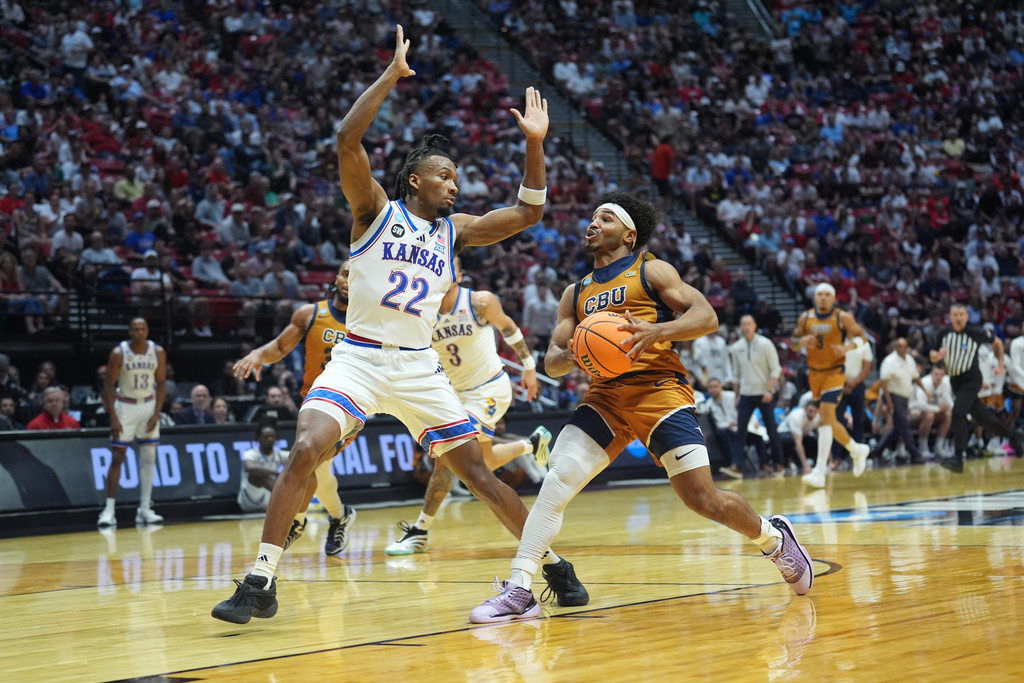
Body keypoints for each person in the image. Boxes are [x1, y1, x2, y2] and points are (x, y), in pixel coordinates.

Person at [212, 27, 581, 624]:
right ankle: (260, 580)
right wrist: (391, 76)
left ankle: (554, 565)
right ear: (416, 181)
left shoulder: (453, 231)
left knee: (481, 477)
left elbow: (529, 212)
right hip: (356, 359)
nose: (454, 185)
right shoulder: (374, 211)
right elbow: (346, 139)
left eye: (457, 180)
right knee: (304, 447)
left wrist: (534, 145)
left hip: (418, 368)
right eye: (445, 177)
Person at [469, 192, 813, 624]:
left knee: (702, 498)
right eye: (592, 217)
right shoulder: (574, 293)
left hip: (659, 389)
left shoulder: (650, 269)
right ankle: (521, 588)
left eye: (605, 218)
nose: (593, 223)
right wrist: (575, 351)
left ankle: (772, 538)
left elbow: (706, 317)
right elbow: (551, 362)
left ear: (628, 234)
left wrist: (657, 330)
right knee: (558, 478)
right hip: (606, 397)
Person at [385, 258, 552, 555]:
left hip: (490, 389)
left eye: (449, 268)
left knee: (448, 459)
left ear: (459, 275)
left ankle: (420, 531)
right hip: (455, 395)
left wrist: (528, 367)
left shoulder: (480, 302)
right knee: (480, 465)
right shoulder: (421, 312)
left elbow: (510, 328)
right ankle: (532, 444)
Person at [232, 260, 357, 556]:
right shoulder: (310, 313)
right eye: (345, 273)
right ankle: (341, 516)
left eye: (357, 275)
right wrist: (258, 354)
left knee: (311, 461)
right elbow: (279, 347)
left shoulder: (370, 320)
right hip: (315, 402)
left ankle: (297, 521)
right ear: (336, 278)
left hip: (352, 404)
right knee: (320, 472)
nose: (349, 280)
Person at [792, 283, 871, 488]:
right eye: (820, 294)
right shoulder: (806, 318)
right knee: (829, 420)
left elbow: (863, 339)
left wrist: (847, 347)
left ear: (834, 298)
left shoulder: (842, 317)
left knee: (825, 418)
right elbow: (792, 341)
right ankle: (856, 449)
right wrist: (801, 342)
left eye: (827, 295)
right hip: (814, 374)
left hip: (835, 373)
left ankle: (819, 471)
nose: (823, 298)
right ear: (815, 298)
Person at [929, 304, 1024, 472]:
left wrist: (1001, 363)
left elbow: (998, 342)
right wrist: (938, 356)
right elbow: (932, 355)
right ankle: (1013, 437)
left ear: (966, 317)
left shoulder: (975, 332)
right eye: (955, 314)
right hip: (955, 381)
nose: (958, 317)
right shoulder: (944, 334)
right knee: (984, 419)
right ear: (950, 317)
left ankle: (958, 458)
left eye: (961, 314)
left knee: (958, 413)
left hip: (971, 379)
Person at [96, 318, 167, 526]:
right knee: (118, 456)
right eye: (136, 329)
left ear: (147, 331)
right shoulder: (119, 353)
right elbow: (108, 386)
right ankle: (109, 510)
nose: (140, 332)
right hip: (125, 406)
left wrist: (156, 413)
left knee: (149, 457)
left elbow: (161, 384)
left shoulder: (157, 351)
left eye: (143, 329)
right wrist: (114, 418)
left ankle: (145, 509)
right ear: (130, 332)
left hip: (148, 404)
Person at [723, 314, 783, 478]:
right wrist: (736, 396)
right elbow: (736, 374)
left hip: (765, 393)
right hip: (746, 393)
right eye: (743, 324)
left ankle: (778, 464)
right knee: (740, 429)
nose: (746, 327)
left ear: (755, 326)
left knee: (771, 429)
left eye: (749, 323)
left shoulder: (766, 344)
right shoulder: (736, 348)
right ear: (740, 327)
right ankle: (736, 466)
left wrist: (770, 390)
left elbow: (775, 370)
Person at [870, 338, 926, 465]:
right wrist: (889, 401)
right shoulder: (890, 361)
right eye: (900, 347)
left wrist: (925, 391)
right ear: (896, 347)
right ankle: (914, 453)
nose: (902, 349)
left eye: (905, 347)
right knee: (904, 424)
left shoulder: (910, 360)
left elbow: (916, 377)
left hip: (904, 397)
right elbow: (884, 382)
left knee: (898, 427)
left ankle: (878, 450)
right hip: (893, 396)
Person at [238, 421, 289, 513]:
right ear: (258, 439)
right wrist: (276, 473)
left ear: (276, 438)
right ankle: (287, 499)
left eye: (272, 436)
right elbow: (250, 468)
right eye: (266, 436)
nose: (270, 439)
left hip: (268, 498)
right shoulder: (251, 453)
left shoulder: (281, 455)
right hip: (249, 500)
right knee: (258, 475)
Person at [910, 364, 952, 459]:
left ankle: (939, 447)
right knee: (929, 415)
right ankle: (922, 447)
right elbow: (920, 405)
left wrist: (948, 406)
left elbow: (949, 401)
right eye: (936, 374)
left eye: (941, 375)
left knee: (948, 415)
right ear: (931, 373)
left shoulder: (944, 385)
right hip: (914, 412)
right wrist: (938, 409)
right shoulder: (924, 382)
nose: (939, 377)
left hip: (933, 412)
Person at [779, 401, 819, 475]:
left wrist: (831, 462)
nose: (812, 414)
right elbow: (798, 443)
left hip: (802, 435)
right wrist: (805, 465)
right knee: (790, 441)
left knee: (816, 440)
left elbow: (823, 439)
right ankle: (787, 463)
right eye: (810, 411)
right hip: (784, 433)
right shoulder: (796, 416)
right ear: (805, 409)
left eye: (815, 412)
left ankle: (817, 465)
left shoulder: (818, 417)